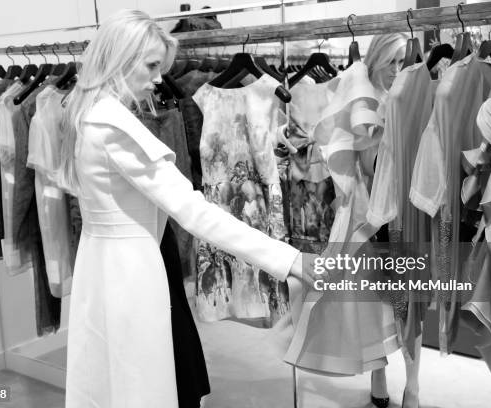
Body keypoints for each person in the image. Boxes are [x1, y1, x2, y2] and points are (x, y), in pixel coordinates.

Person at [56, 9, 318, 408]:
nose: (160, 78)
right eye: (151, 65)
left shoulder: (86, 115)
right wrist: (292, 260)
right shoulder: (114, 127)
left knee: (110, 378)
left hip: (102, 265)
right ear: (121, 59)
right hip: (130, 272)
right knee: (138, 383)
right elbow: (195, 211)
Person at [363, 33, 422, 408]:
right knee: (376, 303)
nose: (398, 71)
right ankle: (378, 372)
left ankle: (413, 384)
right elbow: (361, 169)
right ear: (376, 61)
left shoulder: (412, 97)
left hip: (406, 213)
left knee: (408, 302)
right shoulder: (362, 102)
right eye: (392, 63)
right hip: (370, 217)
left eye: (404, 63)